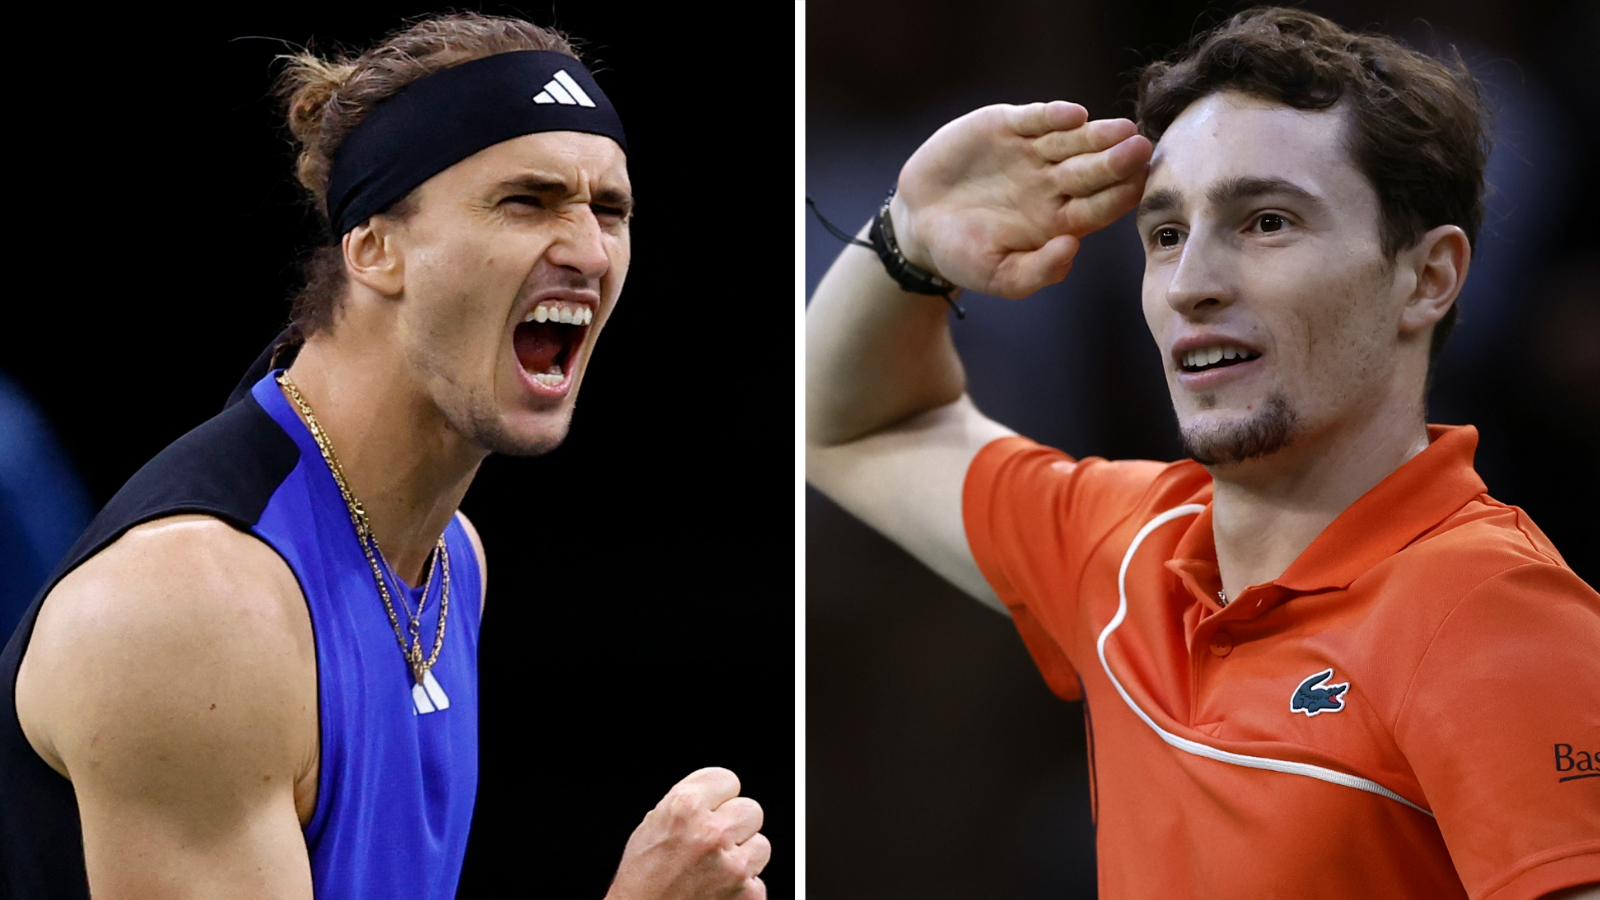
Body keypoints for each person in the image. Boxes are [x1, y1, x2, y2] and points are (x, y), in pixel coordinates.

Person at [806, 8, 1598, 899]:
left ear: (1427, 278)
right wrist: (908, 240)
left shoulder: (1495, 616)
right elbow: (848, 425)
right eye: (1166, 233)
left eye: (1266, 222)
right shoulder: (1127, 543)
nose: (1191, 285)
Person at [0, 13, 769, 900]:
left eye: (611, 209)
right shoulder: (195, 608)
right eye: (528, 200)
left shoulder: (451, 560)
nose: (589, 251)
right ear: (373, 248)